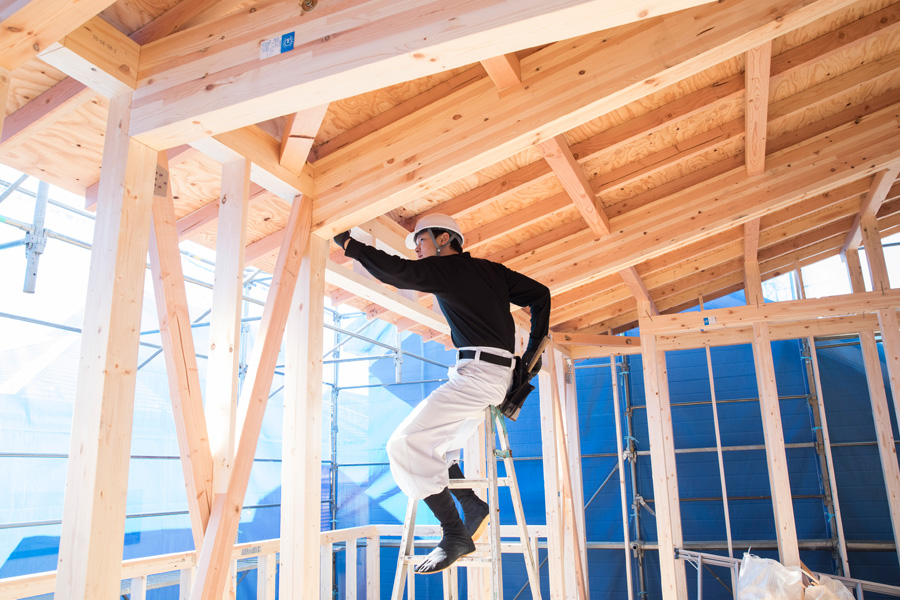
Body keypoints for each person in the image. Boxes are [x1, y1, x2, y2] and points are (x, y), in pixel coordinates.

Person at [334, 213, 551, 574]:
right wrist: (533, 352)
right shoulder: (491, 272)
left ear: (445, 238)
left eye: (421, 241)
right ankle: (471, 505)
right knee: (439, 449)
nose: (418, 250)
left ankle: (454, 534)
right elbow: (540, 294)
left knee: (403, 444)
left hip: (480, 376)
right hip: (491, 375)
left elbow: (397, 272)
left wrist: (349, 244)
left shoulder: (446, 270)